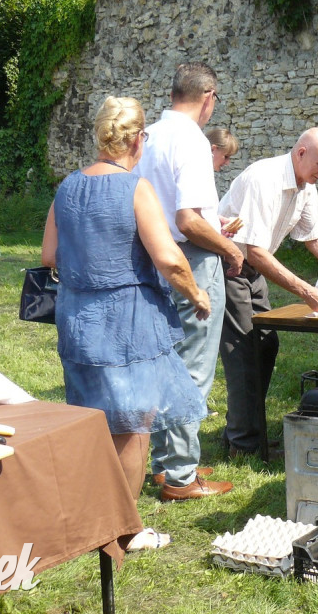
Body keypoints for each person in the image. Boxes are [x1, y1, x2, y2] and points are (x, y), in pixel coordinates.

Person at [41, 96, 223, 544]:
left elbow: (49, 255)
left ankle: (93, 516)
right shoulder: (135, 188)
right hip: (129, 322)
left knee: (96, 421)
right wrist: (197, 293)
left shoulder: (67, 186)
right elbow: (168, 258)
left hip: (78, 317)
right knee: (133, 427)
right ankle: (125, 529)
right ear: (138, 140)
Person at [217, 127, 318, 458]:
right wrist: (307, 292)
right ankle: (243, 444)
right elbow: (256, 250)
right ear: (300, 153)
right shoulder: (263, 179)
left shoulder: (306, 186)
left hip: (251, 266)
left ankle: (245, 430)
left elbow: (314, 239)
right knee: (244, 348)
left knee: (266, 342)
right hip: (227, 265)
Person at [133, 62, 244, 500]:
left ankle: (167, 463)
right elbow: (189, 220)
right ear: (209, 97)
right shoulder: (194, 142)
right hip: (191, 258)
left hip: (150, 255)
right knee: (192, 367)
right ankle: (181, 475)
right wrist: (229, 247)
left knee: (164, 361)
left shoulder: (150, 135)